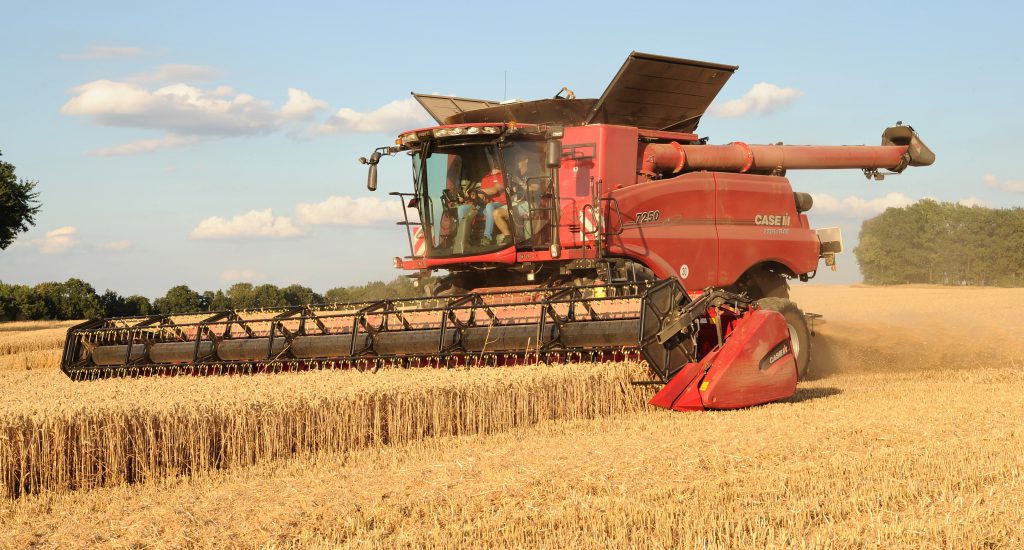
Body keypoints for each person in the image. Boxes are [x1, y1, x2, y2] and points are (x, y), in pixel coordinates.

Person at [457, 167, 511, 245]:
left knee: (489, 206)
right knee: (462, 208)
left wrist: (475, 191)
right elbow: (480, 196)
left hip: (501, 205)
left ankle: (487, 237)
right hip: (486, 206)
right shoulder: (485, 178)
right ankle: (464, 238)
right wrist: (467, 196)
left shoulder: (504, 175)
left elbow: (495, 190)